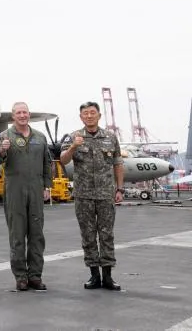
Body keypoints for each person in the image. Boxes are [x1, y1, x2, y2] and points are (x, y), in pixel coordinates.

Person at [60, 101, 124, 291]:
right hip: (83, 194)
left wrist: (119, 189)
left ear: (99, 115)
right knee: (88, 235)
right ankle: (94, 275)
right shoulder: (74, 136)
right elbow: (63, 160)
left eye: (92, 113)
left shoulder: (111, 137)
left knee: (106, 235)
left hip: (105, 194)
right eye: (85, 113)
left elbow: (118, 163)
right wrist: (73, 146)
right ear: (81, 117)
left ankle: (108, 276)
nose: (89, 116)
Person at [0, 101, 53, 291]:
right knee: (17, 234)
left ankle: (35, 276)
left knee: (37, 235)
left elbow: (47, 163)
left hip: (35, 188)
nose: (22, 115)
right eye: (18, 113)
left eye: (25, 112)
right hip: (14, 189)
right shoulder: (4, 136)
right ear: (13, 116)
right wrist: (3, 150)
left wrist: (47, 186)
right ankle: (20, 277)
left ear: (29, 114)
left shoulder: (40, 137)